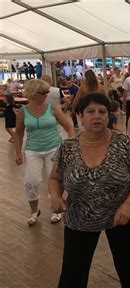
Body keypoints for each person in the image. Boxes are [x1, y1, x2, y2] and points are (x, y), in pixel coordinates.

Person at [49, 93, 130, 288]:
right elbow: (54, 178)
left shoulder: (125, 143)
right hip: (80, 217)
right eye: (90, 111)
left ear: (109, 116)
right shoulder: (67, 148)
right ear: (79, 116)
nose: (96, 116)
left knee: (128, 266)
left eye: (102, 112)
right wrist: (56, 197)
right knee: (73, 271)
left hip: (121, 216)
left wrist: (128, 204)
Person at [13, 79, 74, 226]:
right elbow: (19, 133)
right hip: (32, 150)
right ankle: (34, 212)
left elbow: (69, 127)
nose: (47, 94)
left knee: (54, 181)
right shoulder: (23, 112)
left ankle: (56, 209)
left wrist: (70, 145)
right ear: (33, 94)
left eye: (47, 92)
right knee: (31, 182)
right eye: (43, 93)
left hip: (54, 148)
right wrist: (18, 153)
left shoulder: (52, 108)